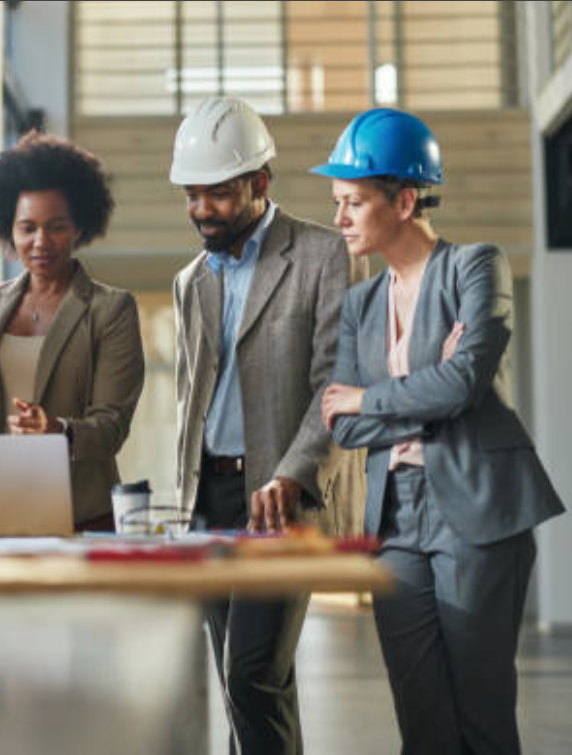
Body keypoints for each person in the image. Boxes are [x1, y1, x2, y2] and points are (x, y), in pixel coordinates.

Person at [317, 108, 567, 755]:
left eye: (353, 201)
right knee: (421, 719)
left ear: (404, 200)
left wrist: (375, 395)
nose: (339, 217)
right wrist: (435, 382)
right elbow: (342, 426)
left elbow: (459, 386)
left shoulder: (475, 268)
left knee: (481, 714)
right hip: (395, 518)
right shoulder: (360, 304)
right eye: (336, 202)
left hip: (476, 512)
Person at [170, 96, 351, 754]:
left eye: (216, 194)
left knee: (252, 672)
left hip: (279, 499)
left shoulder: (322, 256)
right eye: (193, 194)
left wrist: (290, 473)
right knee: (243, 677)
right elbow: (194, 396)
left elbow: (333, 386)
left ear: (259, 184)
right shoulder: (192, 280)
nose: (201, 209)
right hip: (209, 498)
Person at [0, 132, 145, 531]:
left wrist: (58, 431)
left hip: (81, 516)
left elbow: (111, 425)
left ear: (80, 228)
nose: (41, 242)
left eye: (57, 227)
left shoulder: (111, 311)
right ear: (8, 230)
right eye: (27, 227)